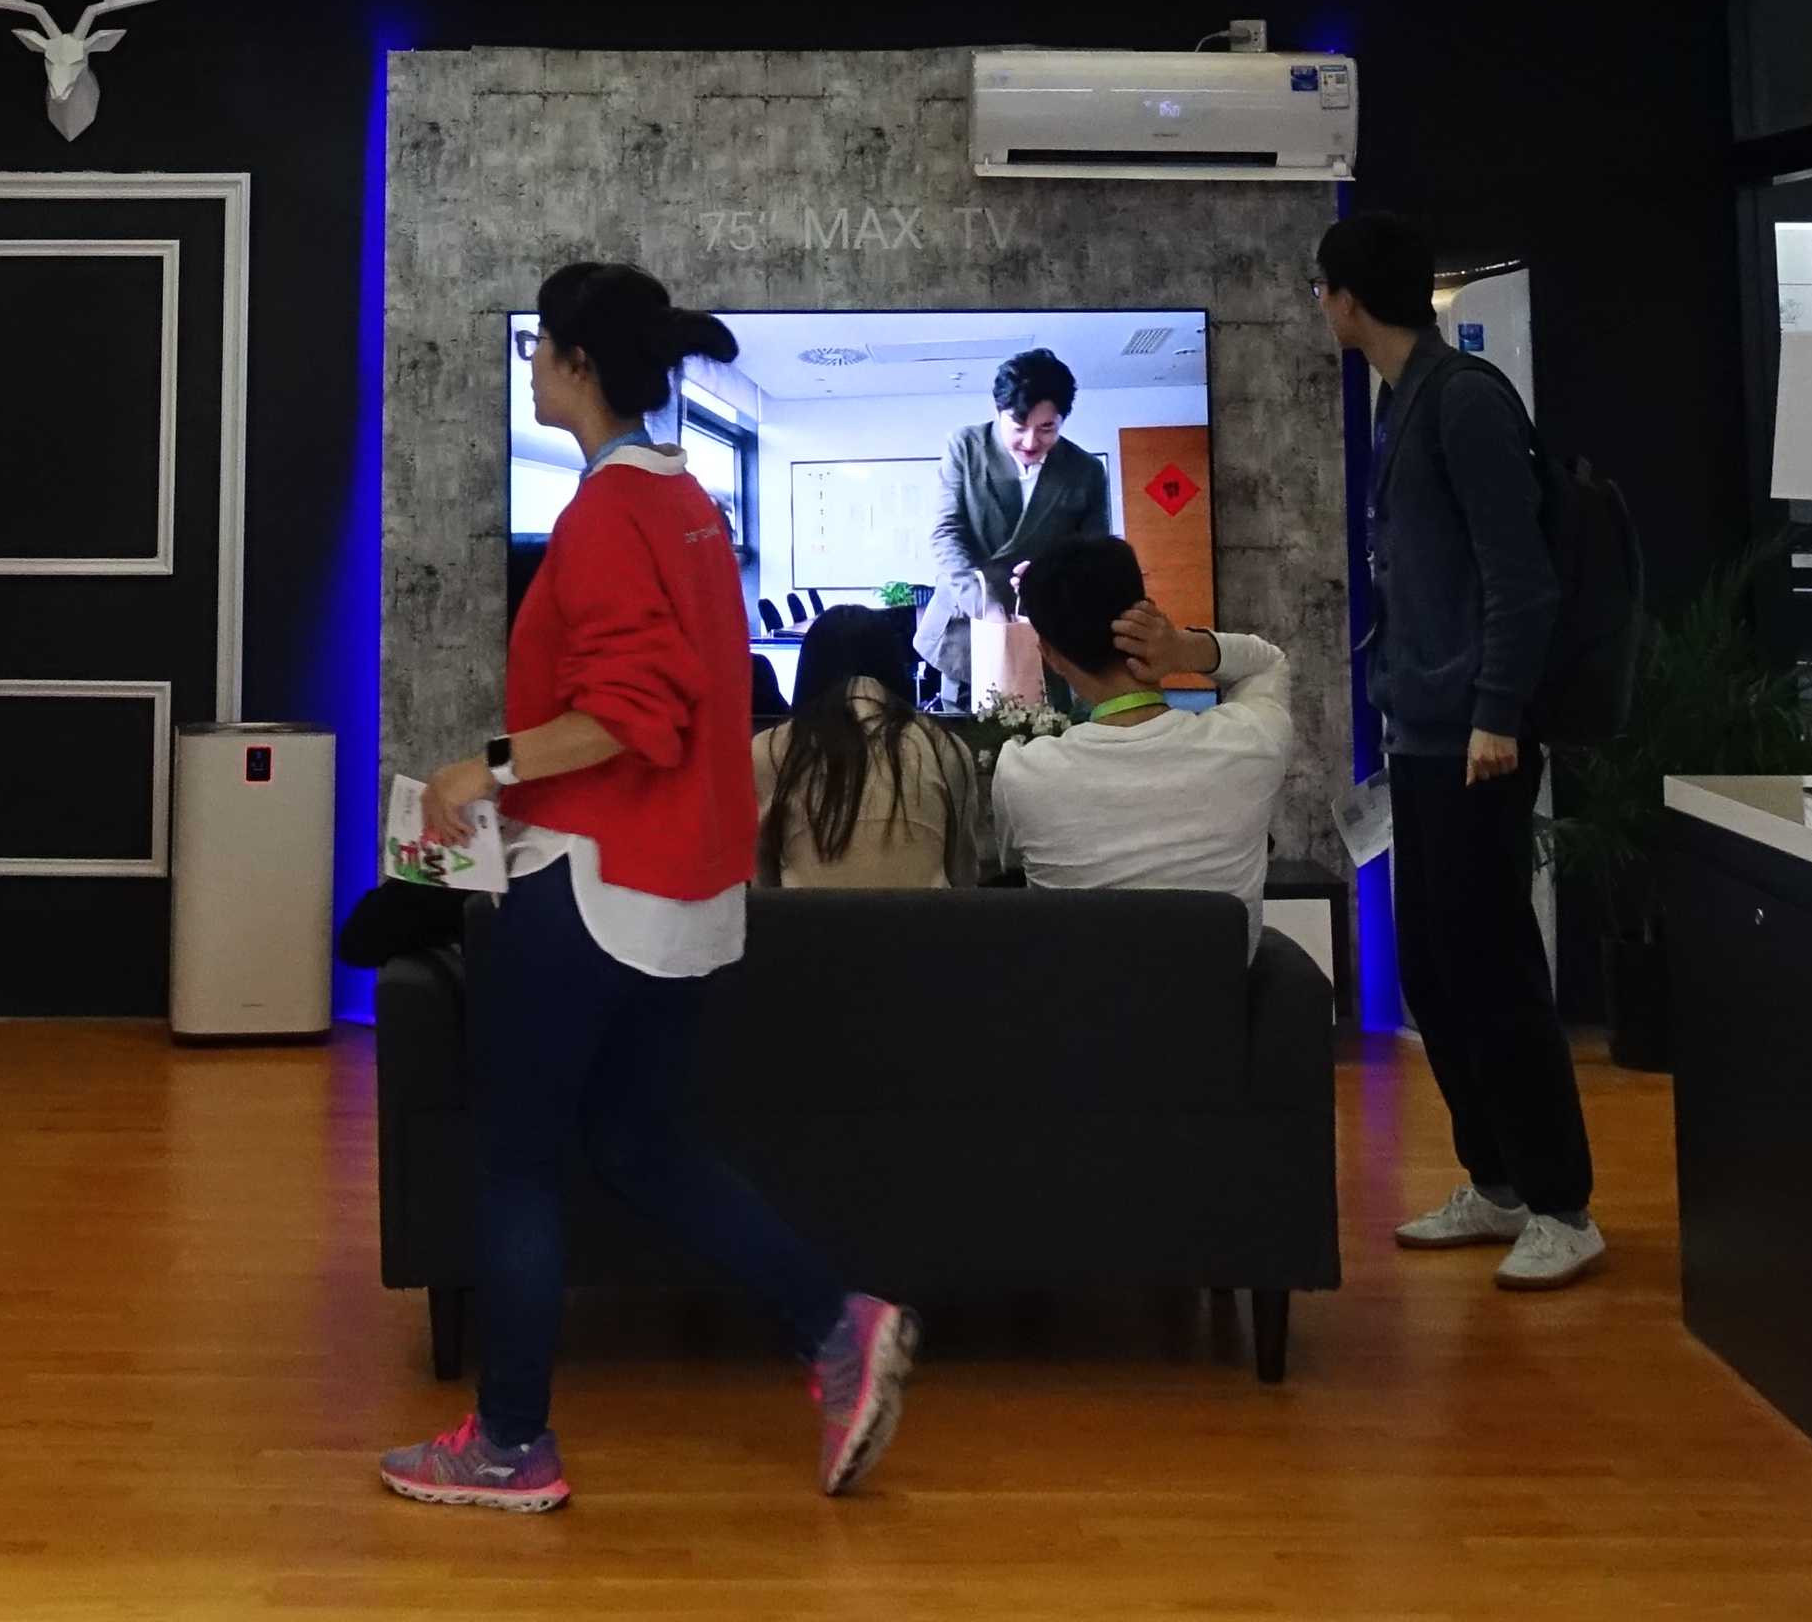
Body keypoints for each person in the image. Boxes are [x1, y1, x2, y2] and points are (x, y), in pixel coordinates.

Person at [385, 261, 921, 1516]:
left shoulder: (606, 516)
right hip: (683, 893)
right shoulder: (688, 507)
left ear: (577, 364)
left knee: (516, 1162)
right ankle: (835, 1323)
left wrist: (483, 767)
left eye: (539, 348)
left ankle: (510, 1445)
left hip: (592, 883)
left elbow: (636, 715)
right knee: (638, 1144)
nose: (530, 366)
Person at [1319, 211, 1598, 1289]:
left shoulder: (1466, 400)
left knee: (1494, 970)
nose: (1321, 308)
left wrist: (1496, 711)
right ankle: (1498, 1181)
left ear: (1349, 300)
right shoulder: (1404, 398)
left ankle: (1564, 1205)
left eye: (1323, 291)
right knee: (1434, 969)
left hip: (1478, 738)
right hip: (1425, 733)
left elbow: (1521, 580)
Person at [985, 538, 1294, 926]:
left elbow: (1013, 868)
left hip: (1079, 970)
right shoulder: (1249, 743)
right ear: (1149, 614)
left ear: (1049, 654)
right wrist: (1180, 648)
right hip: (1220, 969)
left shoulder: (1021, 773)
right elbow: (1269, 663)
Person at [753, 602, 985, 889]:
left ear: (809, 671)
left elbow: (761, 879)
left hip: (805, 918)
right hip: (925, 918)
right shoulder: (944, 747)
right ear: (894, 668)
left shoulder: (771, 750)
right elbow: (963, 874)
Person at [922, 347, 1108, 696]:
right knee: (966, 723)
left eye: (1047, 428)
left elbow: (1094, 556)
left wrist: (1050, 579)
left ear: (1063, 419)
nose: (1031, 441)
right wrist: (985, 603)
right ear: (998, 412)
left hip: (1044, 627)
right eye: (1019, 427)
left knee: (1046, 721)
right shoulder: (966, 447)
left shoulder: (1086, 471)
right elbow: (946, 534)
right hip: (968, 623)